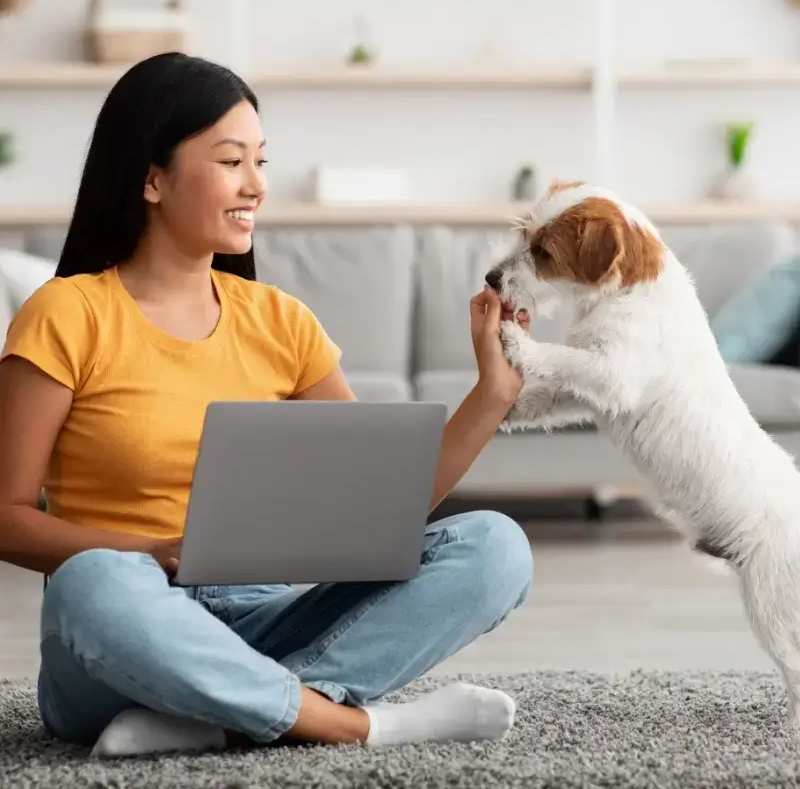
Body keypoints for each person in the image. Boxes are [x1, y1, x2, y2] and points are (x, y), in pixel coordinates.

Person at [0, 52, 534, 758]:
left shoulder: (281, 320)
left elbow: (380, 505)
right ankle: (349, 722)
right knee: (91, 583)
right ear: (151, 178)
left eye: (261, 161)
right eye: (231, 161)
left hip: (260, 616)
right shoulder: (66, 314)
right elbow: (6, 519)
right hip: (124, 634)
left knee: (496, 547)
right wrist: (155, 553)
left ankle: (222, 717)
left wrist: (492, 394)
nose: (256, 185)